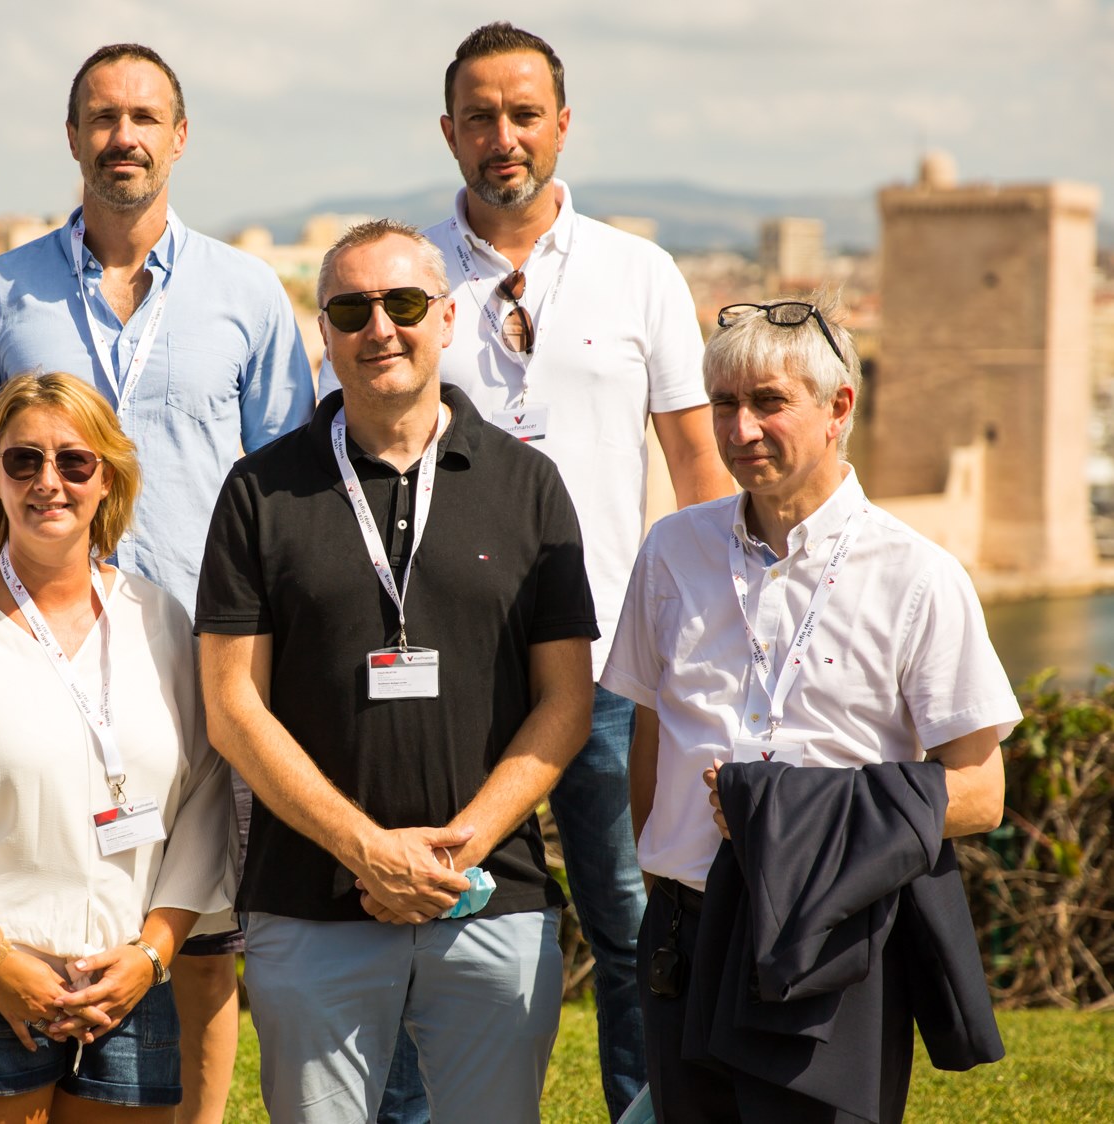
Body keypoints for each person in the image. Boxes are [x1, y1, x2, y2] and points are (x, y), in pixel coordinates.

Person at [323, 23, 738, 1119]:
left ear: (561, 123)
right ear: (449, 130)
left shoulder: (638, 274)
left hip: (609, 667)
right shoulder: (401, 278)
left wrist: (718, 639)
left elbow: (695, 468)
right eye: (480, 116)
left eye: (523, 114)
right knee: (422, 914)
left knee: (635, 920)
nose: (502, 137)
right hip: (441, 672)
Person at [0, 43, 314, 1123]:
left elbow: (287, 482)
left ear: (179, 137)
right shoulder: (0, 293)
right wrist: (7, 616)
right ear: (72, 137)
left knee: (204, 923)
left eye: (145, 116)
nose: (123, 136)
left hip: (208, 653)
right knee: (59, 887)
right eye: (102, 117)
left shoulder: (246, 294)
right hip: (44, 645)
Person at [196, 220, 597, 1122]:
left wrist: (454, 850)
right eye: (351, 308)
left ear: (446, 319)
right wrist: (368, 851)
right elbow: (230, 705)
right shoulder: (258, 492)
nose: (379, 327)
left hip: (488, 898)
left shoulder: (528, 485)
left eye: (404, 303)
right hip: (309, 904)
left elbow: (565, 702)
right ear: (325, 333)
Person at [600, 297, 1018, 1120]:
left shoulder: (918, 577)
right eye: (724, 405)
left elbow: (978, 794)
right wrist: (663, 887)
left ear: (838, 409)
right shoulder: (669, 551)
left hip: (830, 940)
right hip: (684, 933)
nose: (740, 429)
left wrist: (792, 810)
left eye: (767, 403)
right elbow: (649, 737)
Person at [0, 372, 233, 1121]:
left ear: (108, 480)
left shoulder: (156, 617)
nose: (48, 482)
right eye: (22, 461)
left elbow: (203, 795)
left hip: (128, 987)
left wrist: (153, 953)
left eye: (74, 462)